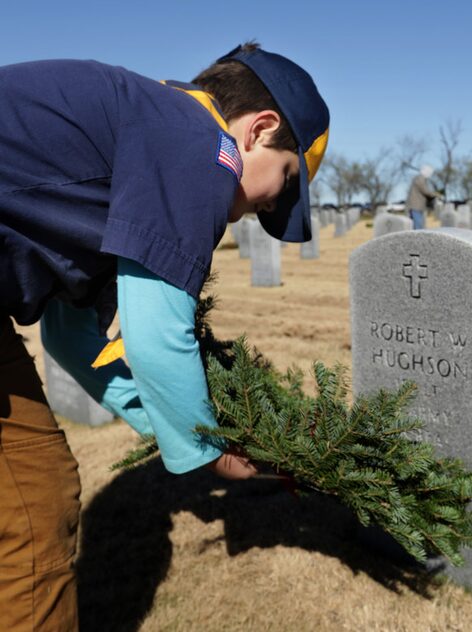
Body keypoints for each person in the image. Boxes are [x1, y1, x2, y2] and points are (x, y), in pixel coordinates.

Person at [0, 42, 329, 630]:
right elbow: (157, 332)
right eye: (275, 190)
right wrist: (210, 448)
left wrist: (158, 421)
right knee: (31, 508)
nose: (246, 215)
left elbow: (74, 339)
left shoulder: (140, 137)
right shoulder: (197, 142)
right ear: (258, 130)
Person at [406, 164, 440, 229]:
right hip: (415, 206)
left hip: (418, 206)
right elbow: (425, 191)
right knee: (418, 226)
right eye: (430, 172)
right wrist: (435, 194)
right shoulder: (420, 179)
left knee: (418, 225)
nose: (430, 174)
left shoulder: (421, 178)